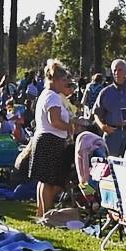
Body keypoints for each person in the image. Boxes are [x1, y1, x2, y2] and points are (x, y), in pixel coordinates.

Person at [32, 59, 89, 217]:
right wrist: (72, 126)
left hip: (45, 139)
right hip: (50, 141)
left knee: (44, 181)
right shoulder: (53, 97)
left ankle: (41, 213)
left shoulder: (47, 95)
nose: (66, 83)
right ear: (55, 80)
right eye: (64, 80)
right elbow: (55, 121)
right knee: (49, 182)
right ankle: (47, 214)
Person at [92, 59, 126, 156]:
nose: (116, 73)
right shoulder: (105, 92)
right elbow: (96, 113)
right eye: (114, 70)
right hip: (112, 134)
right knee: (110, 163)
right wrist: (102, 126)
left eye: (120, 70)